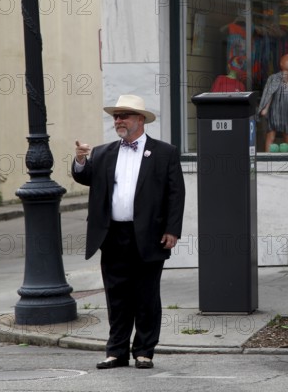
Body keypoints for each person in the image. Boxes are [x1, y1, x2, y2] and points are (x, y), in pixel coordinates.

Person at [72, 94, 186, 370]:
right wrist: (79, 160)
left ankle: (144, 351)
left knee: (146, 296)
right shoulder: (102, 152)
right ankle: (116, 351)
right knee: (117, 296)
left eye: (124, 115)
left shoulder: (164, 152)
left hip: (149, 235)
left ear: (140, 120)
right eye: (116, 116)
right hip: (112, 235)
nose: (119, 120)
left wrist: (173, 230)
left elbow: (176, 193)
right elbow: (84, 177)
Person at [258, 53, 288, 152]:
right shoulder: (274, 79)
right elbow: (270, 94)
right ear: (281, 63)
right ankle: (267, 159)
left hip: (286, 114)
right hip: (274, 113)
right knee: (271, 137)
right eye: (287, 59)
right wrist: (265, 108)